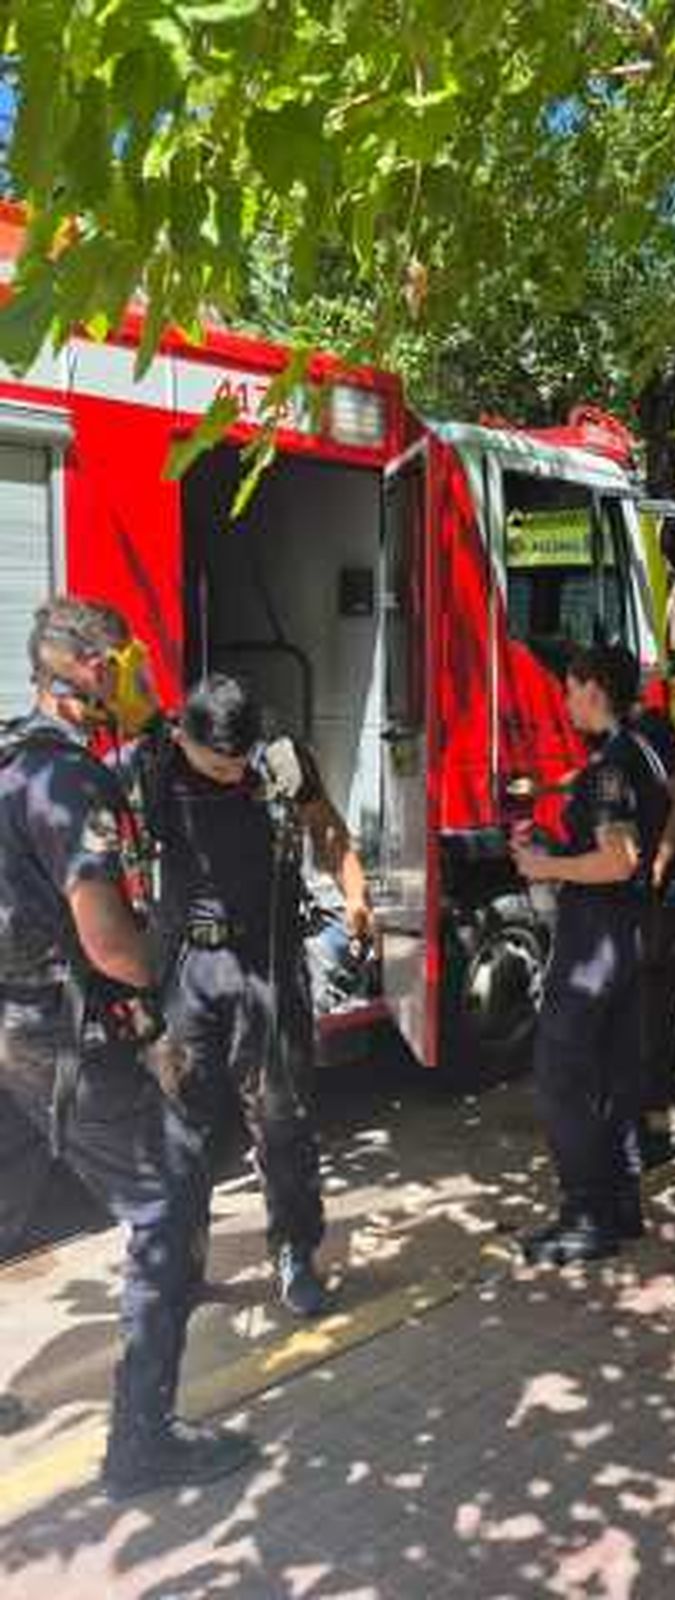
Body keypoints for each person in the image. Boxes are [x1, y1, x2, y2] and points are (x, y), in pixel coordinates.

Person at [0, 597, 254, 1498]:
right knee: (167, 1202)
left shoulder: (12, 757)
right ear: (87, 667)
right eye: (125, 661)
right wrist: (163, 977)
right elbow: (109, 941)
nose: (136, 675)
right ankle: (142, 1444)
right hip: (64, 1034)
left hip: (11, 1024)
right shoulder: (70, 783)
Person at [127, 674, 373, 1316]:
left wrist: (354, 892)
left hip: (265, 964)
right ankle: (184, 1257)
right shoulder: (153, 765)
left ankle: (295, 1252)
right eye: (218, 762)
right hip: (188, 970)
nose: (234, 772)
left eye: (241, 760)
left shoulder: (280, 760)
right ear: (184, 737)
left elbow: (329, 830)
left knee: (283, 1121)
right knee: (182, 1124)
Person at [511, 644, 666, 1265]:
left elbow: (618, 858)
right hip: (628, 934)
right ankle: (621, 1206)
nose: (566, 702)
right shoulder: (643, 749)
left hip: (595, 939)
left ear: (593, 690)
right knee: (614, 1074)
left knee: (563, 1074)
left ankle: (583, 1215)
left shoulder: (607, 767)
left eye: (570, 690)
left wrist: (546, 864)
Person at [612, 650, 675, 1168]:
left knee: (661, 1008)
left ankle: (666, 1124)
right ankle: (653, 1117)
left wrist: (660, 864)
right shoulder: (615, 738)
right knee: (638, 1007)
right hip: (636, 890)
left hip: (663, 892)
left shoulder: (654, 731)